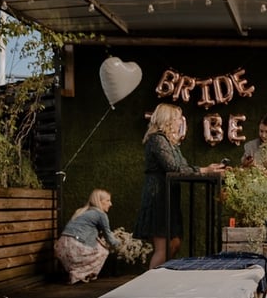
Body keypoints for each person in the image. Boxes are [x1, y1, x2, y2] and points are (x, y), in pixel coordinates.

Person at [133, 103, 226, 269]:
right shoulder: (157, 139)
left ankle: (160, 278)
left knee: (174, 244)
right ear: (167, 120)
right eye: (177, 118)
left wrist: (207, 169)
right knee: (163, 248)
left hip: (169, 196)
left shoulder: (170, 142)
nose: (179, 122)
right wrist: (205, 170)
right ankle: (151, 281)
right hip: (158, 197)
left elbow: (183, 166)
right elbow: (174, 168)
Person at [54, 189, 119, 284]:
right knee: (104, 252)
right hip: (75, 247)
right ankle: (78, 274)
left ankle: (75, 273)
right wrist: (120, 244)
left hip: (60, 247)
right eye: (108, 200)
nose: (111, 204)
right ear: (99, 201)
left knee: (98, 245)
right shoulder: (101, 214)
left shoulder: (81, 211)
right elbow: (109, 238)